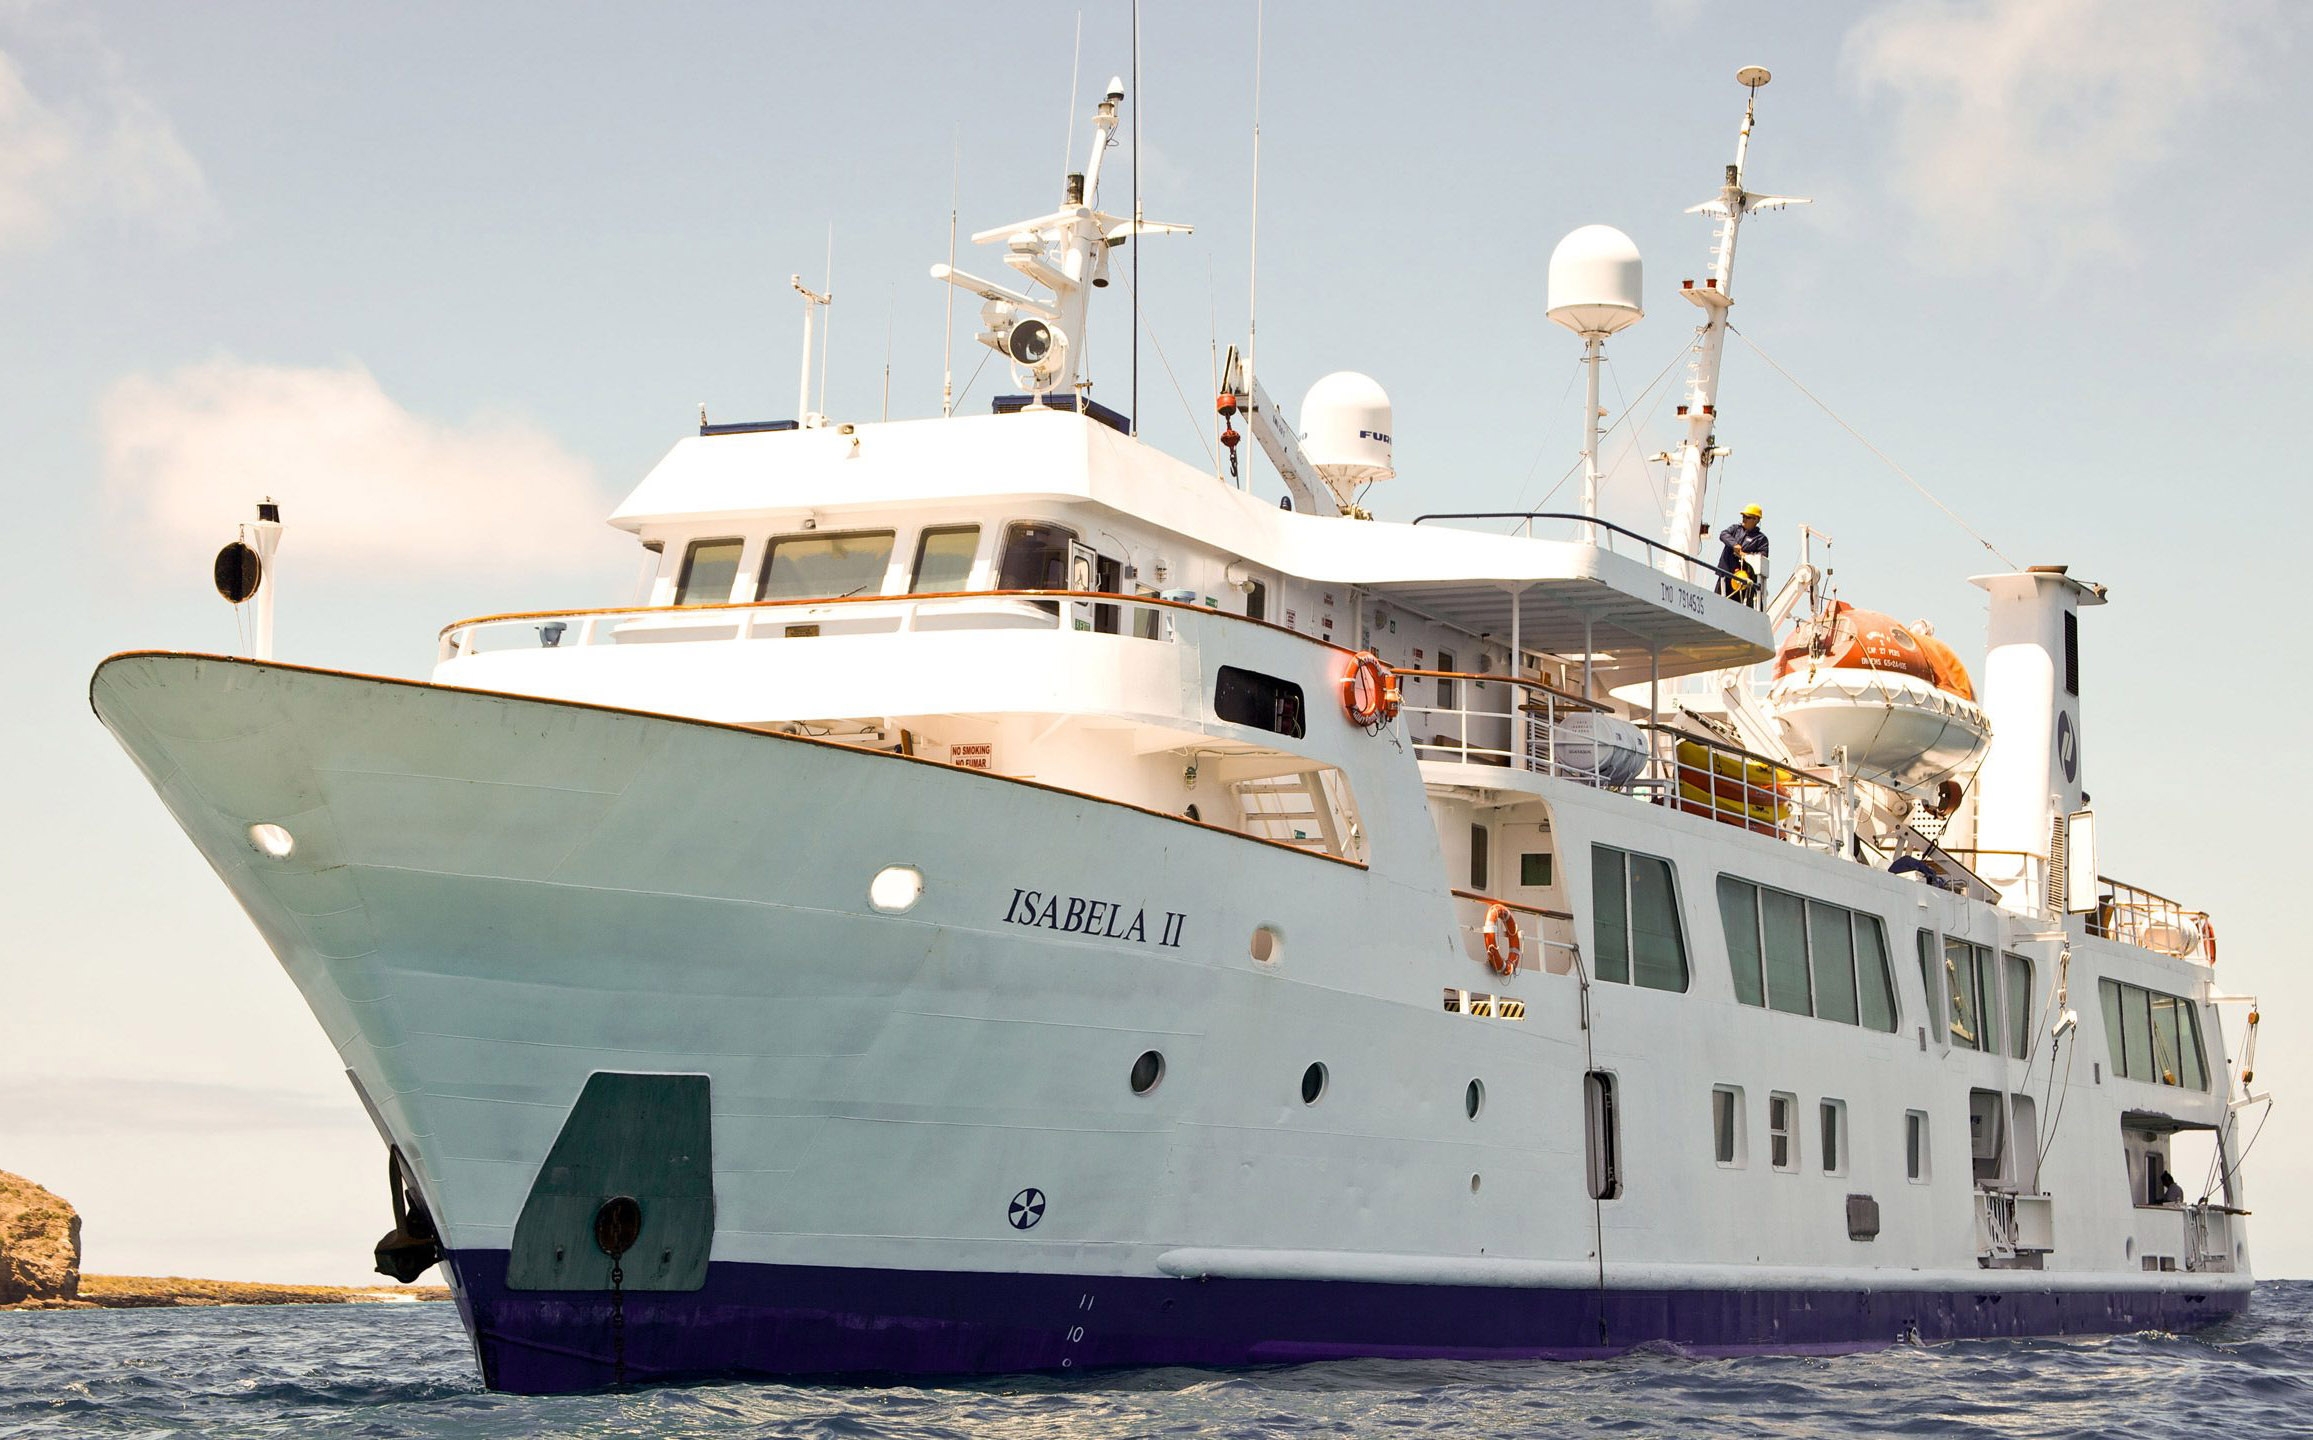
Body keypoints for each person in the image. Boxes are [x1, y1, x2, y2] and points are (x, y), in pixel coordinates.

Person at [1716, 504, 1769, 604]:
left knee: (1736, 606)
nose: (1744, 519)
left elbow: (1762, 556)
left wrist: (1745, 555)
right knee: (1717, 602)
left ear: (1756, 520)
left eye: (1747, 517)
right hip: (1725, 573)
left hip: (1742, 581)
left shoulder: (1761, 539)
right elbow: (1723, 534)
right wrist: (1734, 545)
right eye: (1743, 516)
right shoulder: (1735, 529)